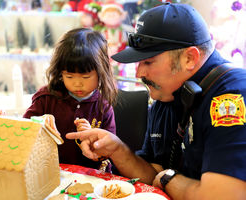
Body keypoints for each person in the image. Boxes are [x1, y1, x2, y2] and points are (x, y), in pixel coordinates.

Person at [65, 3, 246, 200]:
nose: (139, 73)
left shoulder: (232, 97)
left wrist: (170, 180)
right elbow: (153, 172)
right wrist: (116, 149)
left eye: (148, 62)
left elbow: (224, 196)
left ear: (189, 58)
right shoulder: (166, 93)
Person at [23, 28, 117, 170]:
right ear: (60, 72)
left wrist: (93, 137)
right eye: (69, 76)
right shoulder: (46, 99)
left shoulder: (103, 106)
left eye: (85, 77)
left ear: (101, 72)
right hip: (52, 172)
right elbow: (25, 129)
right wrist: (40, 124)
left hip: (93, 175)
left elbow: (110, 150)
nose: (77, 83)